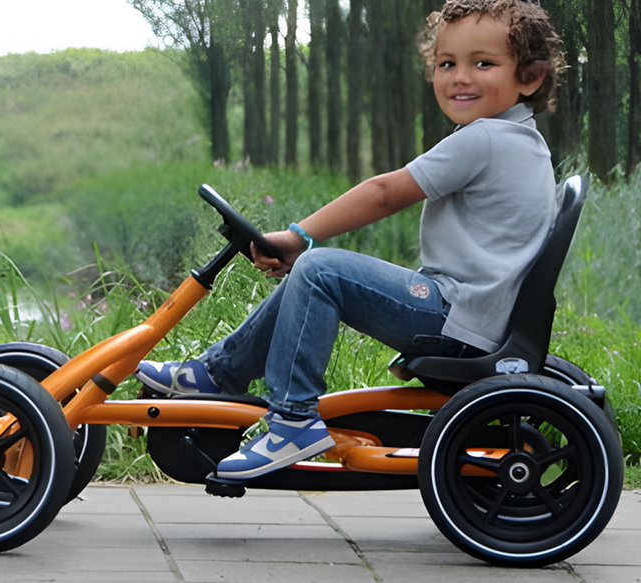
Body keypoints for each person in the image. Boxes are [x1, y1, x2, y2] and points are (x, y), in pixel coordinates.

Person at [136, 0, 565, 481]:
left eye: (482, 63)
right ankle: (218, 374)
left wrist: (300, 235)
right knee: (319, 275)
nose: (459, 77)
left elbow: (384, 193)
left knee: (321, 270)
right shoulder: (522, 141)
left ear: (528, 77)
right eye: (447, 64)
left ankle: (293, 419)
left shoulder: (485, 138)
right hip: (473, 316)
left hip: (459, 321)